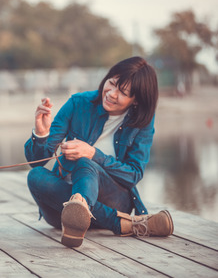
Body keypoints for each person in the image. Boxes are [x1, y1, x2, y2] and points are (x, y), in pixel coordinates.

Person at [24, 56, 173, 248]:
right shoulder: (78, 103)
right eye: (111, 83)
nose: (111, 93)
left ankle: (82, 210)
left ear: (136, 101)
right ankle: (121, 223)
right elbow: (36, 162)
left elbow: (133, 174)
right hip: (60, 210)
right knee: (35, 175)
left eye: (123, 92)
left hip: (115, 201)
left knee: (86, 162)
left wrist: (93, 154)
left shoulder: (142, 122)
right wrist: (41, 133)